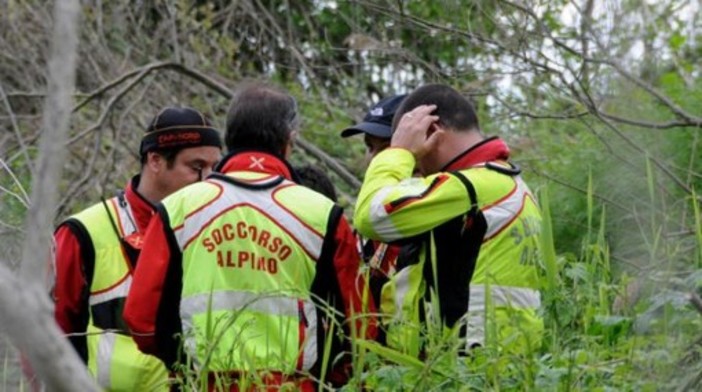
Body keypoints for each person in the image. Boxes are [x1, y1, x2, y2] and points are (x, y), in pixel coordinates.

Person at [123, 82, 377, 391]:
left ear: (228, 138)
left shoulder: (178, 209)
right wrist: (333, 377)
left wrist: (183, 365)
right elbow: (361, 324)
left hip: (202, 383)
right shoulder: (323, 214)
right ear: (289, 140)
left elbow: (142, 318)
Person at [353, 83, 543, 358]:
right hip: (501, 364)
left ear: (431, 132)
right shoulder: (510, 183)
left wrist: (399, 153)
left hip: (470, 370)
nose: (417, 166)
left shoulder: (473, 186)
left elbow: (371, 215)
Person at [52, 106, 223, 391]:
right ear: (155, 160)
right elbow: (46, 337)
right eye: (196, 167)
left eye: (214, 168)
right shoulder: (80, 233)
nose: (210, 180)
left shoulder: (217, 229)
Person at [340, 94, 407, 312]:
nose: (374, 159)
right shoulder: (365, 220)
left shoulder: (427, 213)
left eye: (386, 148)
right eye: (370, 147)